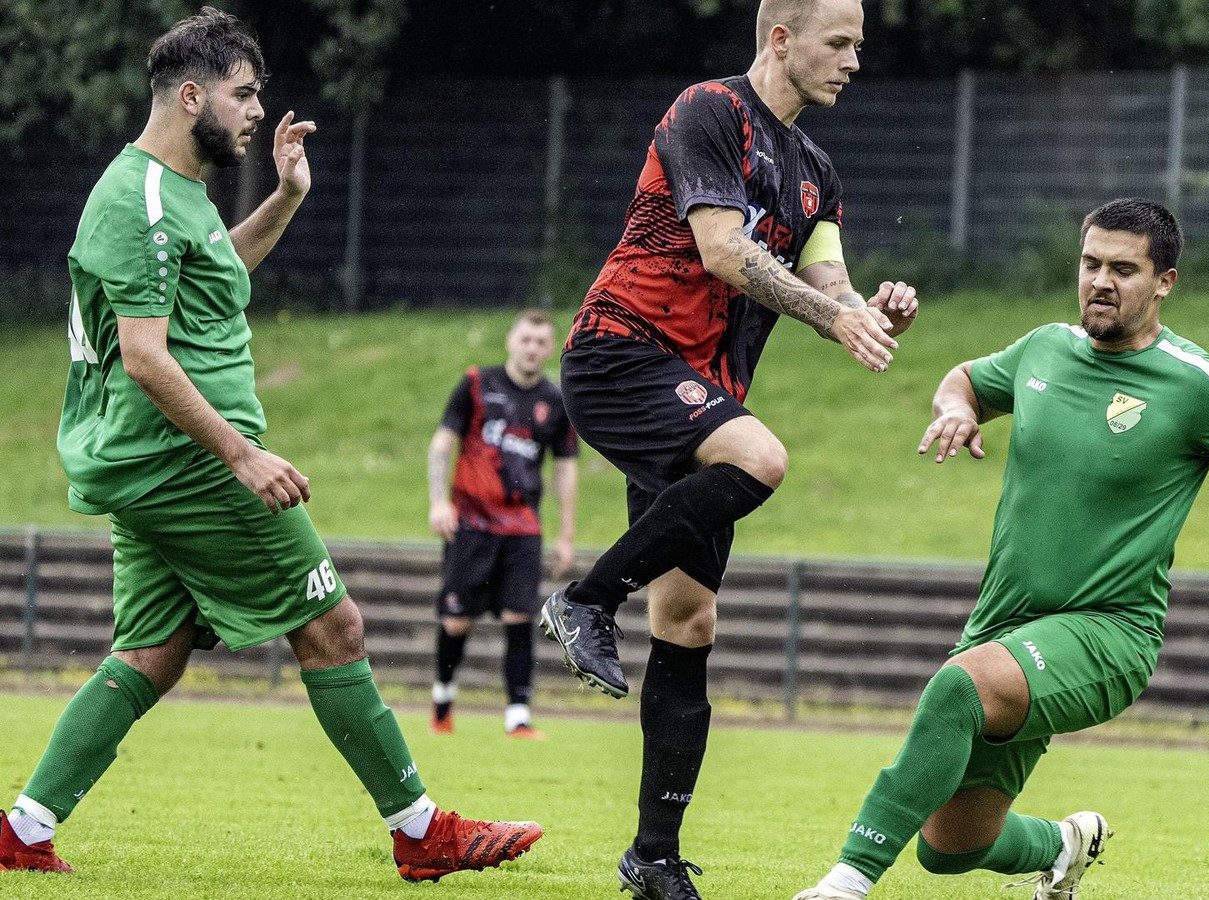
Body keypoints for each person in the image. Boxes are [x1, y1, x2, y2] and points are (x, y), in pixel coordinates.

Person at [0, 8, 541, 880]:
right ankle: (419, 831)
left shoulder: (179, 193)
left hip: (153, 461)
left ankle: (21, 831)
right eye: (243, 94)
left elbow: (217, 278)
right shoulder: (137, 196)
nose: (257, 112)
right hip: (184, 462)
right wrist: (241, 456)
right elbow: (145, 356)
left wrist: (286, 196)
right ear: (189, 94)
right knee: (334, 626)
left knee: (152, 650)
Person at [792, 198, 1209, 900]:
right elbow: (965, 378)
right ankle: (1064, 846)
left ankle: (845, 883)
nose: (1101, 281)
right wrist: (957, 410)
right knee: (951, 847)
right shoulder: (1043, 349)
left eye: (1124, 268)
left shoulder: (1201, 386)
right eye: (1091, 263)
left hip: (1108, 634)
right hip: (1002, 625)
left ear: (1165, 283)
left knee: (957, 690)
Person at [538, 1, 918, 896]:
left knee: (688, 622)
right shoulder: (707, 111)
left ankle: (654, 859)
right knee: (761, 459)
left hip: (704, 394)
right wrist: (833, 316)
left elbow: (827, 281)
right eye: (840, 42)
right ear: (780, 39)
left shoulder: (818, 169)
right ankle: (586, 600)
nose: (854, 61)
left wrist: (868, 311)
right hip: (621, 352)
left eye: (859, 44)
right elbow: (721, 249)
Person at [426, 309, 579, 740]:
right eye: (525, 339)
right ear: (512, 341)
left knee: (519, 617)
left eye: (540, 342)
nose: (532, 348)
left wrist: (566, 535)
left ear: (550, 348)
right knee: (457, 622)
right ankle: (442, 699)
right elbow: (442, 444)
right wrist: (439, 502)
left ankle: (518, 717)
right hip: (471, 523)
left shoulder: (556, 402)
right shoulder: (477, 383)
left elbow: (566, 468)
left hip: (523, 528)